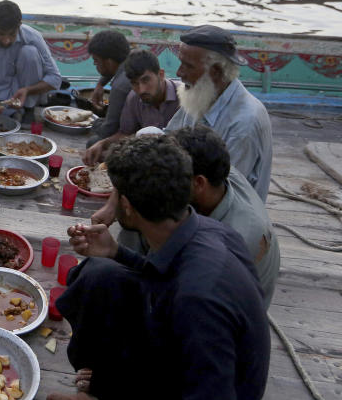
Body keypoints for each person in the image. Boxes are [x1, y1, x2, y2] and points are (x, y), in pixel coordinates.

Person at [48, 135, 270, 400]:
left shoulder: (199, 300)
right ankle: (105, 381)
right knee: (100, 273)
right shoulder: (206, 230)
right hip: (179, 364)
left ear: (126, 205)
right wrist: (116, 252)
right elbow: (164, 277)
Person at [171, 125, 280, 308]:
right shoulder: (220, 175)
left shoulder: (234, 240)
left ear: (198, 183)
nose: (168, 182)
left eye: (172, 177)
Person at [166, 25, 272, 201]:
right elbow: (168, 137)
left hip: (225, 212)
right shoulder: (199, 94)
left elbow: (222, 192)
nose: (179, 73)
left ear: (215, 71)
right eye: (181, 63)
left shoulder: (245, 121)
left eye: (188, 66)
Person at [83, 49, 180, 166]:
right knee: (97, 148)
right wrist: (102, 144)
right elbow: (125, 133)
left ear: (161, 75)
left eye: (146, 80)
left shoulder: (184, 97)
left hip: (175, 159)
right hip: (146, 152)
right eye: (135, 83)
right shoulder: (134, 97)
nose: (142, 89)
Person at [84, 30, 132, 148]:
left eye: (96, 60)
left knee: (93, 142)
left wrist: (93, 123)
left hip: (134, 134)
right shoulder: (133, 57)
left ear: (109, 62)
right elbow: (110, 69)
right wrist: (100, 84)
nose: (95, 64)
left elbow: (108, 131)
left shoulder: (120, 86)